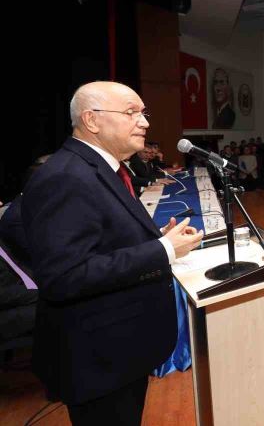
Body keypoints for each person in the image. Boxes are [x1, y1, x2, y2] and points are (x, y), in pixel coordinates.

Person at [21, 81, 204, 425]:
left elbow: (102, 239)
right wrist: (162, 250)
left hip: (118, 351)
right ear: (91, 120)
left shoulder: (103, 169)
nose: (145, 122)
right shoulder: (64, 177)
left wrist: (154, 238)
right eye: (132, 112)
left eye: (144, 113)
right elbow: (65, 276)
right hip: (97, 358)